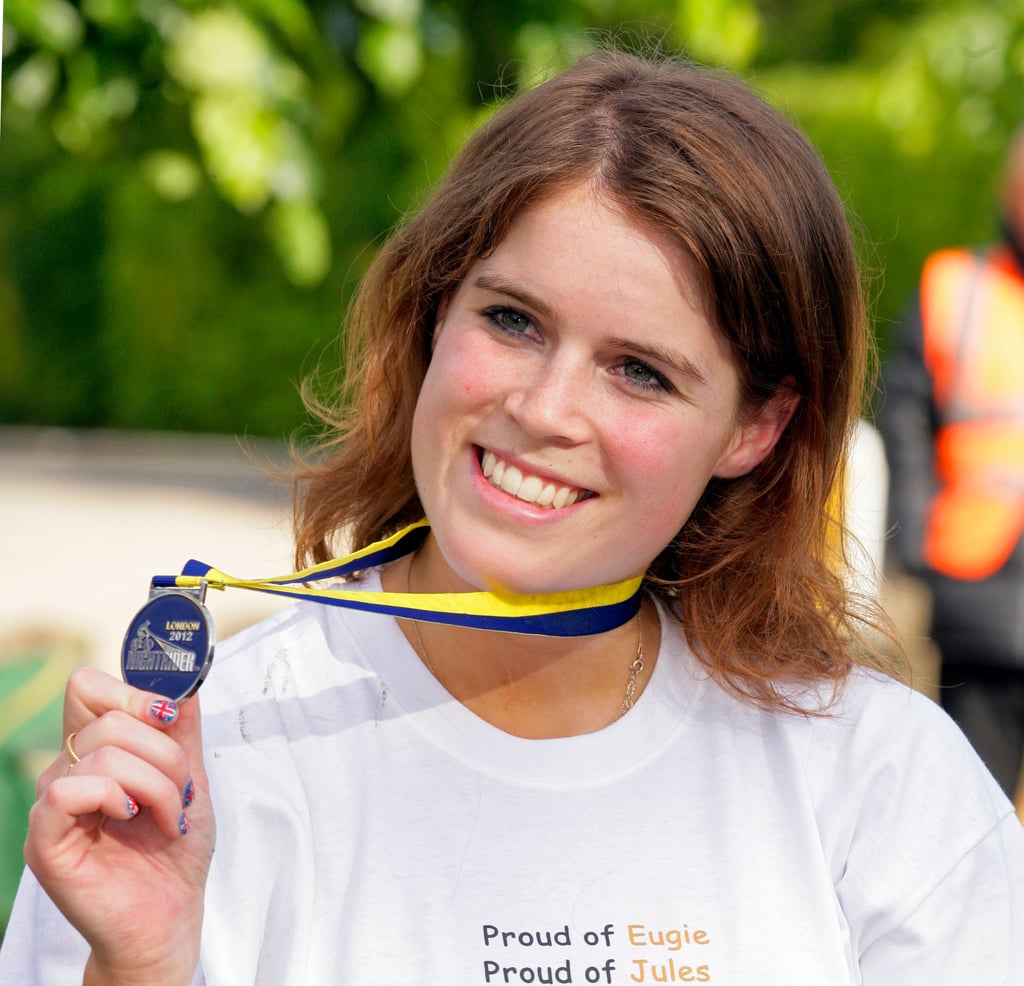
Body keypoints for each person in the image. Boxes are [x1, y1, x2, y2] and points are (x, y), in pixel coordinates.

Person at [2, 47, 1022, 985]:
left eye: (639, 370)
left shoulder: (884, 783)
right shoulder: (200, 759)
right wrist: (136, 968)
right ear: (435, 311)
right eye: (512, 318)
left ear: (757, 425)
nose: (541, 410)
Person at [882, 130, 1024, 817]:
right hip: (981, 582)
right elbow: (905, 417)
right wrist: (913, 537)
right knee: (977, 810)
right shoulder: (954, 289)